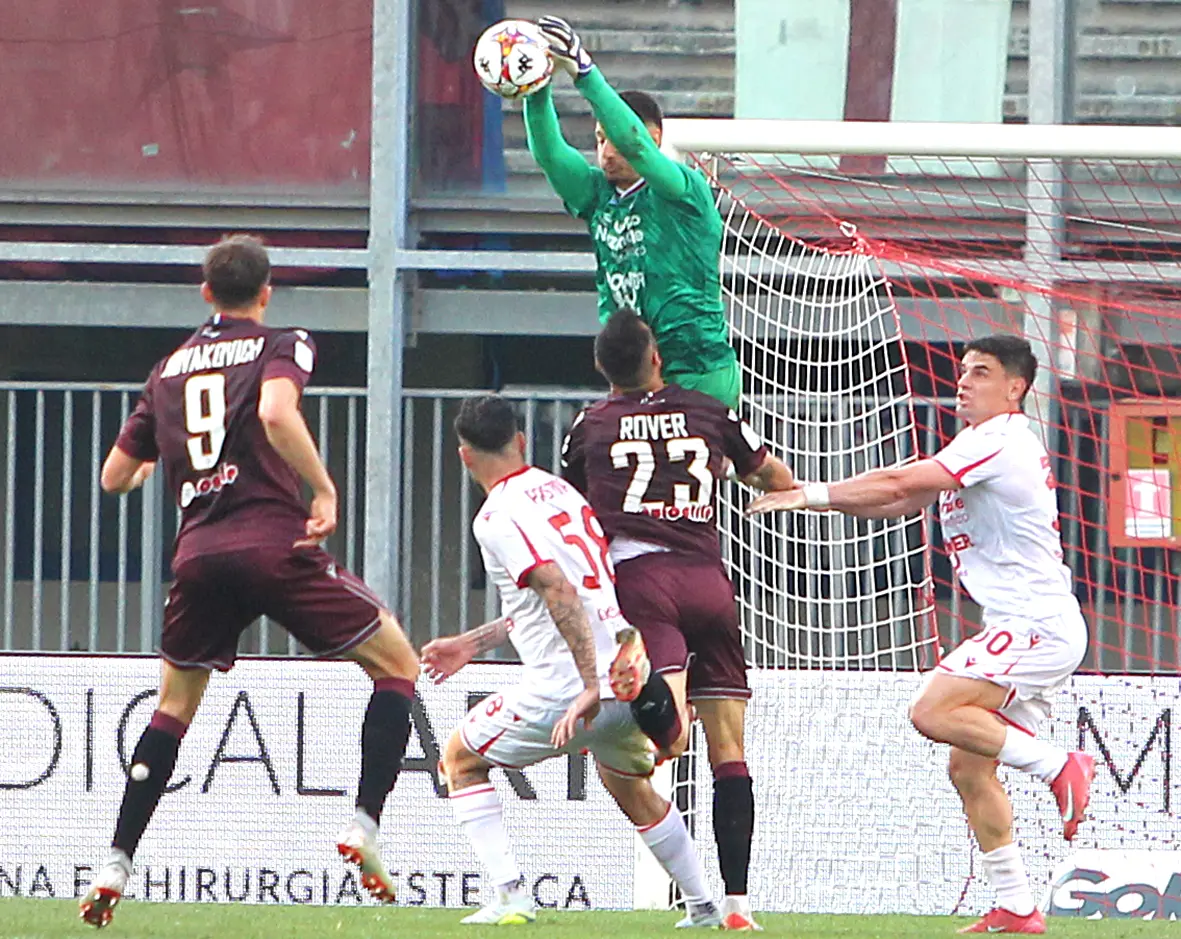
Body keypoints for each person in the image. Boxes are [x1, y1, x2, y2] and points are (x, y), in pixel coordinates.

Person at [79, 235, 420, 927]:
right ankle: (363, 822)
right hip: (272, 542)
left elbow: (114, 475)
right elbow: (273, 411)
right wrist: (323, 488)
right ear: (266, 292)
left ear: (206, 292)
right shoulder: (282, 343)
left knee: (172, 709)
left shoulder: (166, 370)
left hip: (199, 555)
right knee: (397, 665)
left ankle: (116, 860)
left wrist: (149, 471)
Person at [746, 334, 1095, 936]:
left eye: (980, 372)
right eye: (963, 371)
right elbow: (899, 500)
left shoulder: (1001, 438)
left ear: (1015, 388)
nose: (964, 382)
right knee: (969, 767)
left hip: (1036, 623)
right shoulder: (976, 442)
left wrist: (811, 493)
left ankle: (1060, 765)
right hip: (1023, 624)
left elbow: (898, 485)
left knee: (932, 710)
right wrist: (816, 502)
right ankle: (1017, 905)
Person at [420, 394, 722, 927]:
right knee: (629, 786)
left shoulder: (495, 518)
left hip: (569, 690)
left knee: (459, 760)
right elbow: (559, 597)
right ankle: (702, 905)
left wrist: (586, 686)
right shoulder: (560, 490)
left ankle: (510, 895)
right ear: (520, 441)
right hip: (628, 679)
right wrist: (473, 643)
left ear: (464, 456)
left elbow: (557, 590)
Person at [560, 310, 796, 931]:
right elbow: (774, 476)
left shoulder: (589, 426)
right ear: (657, 357)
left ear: (601, 367)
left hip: (643, 582)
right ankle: (738, 906)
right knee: (730, 752)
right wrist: (770, 487)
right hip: (709, 581)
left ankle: (657, 716)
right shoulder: (708, 412)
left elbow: (570, 510)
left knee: (673, 740)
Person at [524, 15, 741, 410]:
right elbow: (550, 155)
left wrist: (584, 73)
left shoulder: (684, 189)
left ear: (654, 137)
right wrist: (535, 89)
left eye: (614, 140)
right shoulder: (597, 194)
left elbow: (636, 148)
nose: (606, 153)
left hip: (697, 368)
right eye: (599, 140)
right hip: (633, 373)